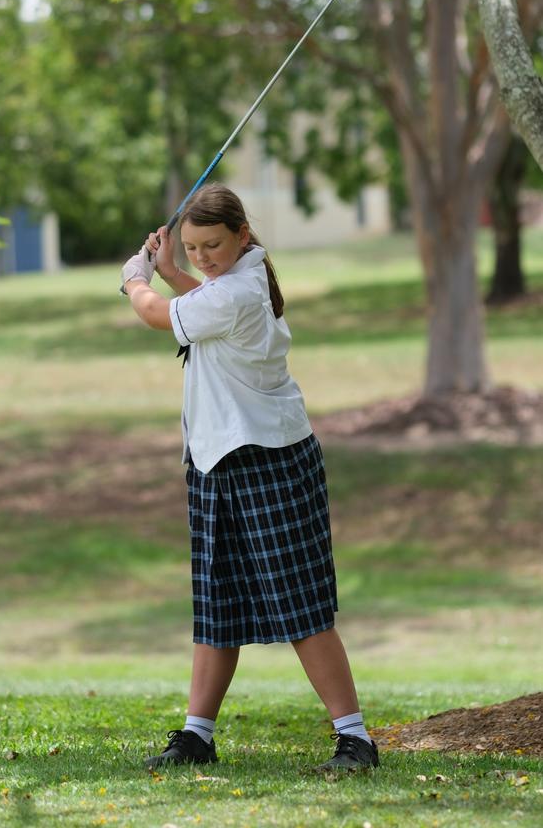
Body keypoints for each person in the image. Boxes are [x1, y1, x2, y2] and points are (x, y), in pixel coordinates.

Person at [120, 183, 379, 774]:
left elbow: (160, 315)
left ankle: (355, 738)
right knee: (219, 605)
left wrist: (136, 278)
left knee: (301, 607)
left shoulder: (235, 292)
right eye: (191, 247)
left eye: (212, 244)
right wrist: (170, 271)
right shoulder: (231, 287)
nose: (202, 256)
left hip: (267, 460)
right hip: (217, 461)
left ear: (242, 236)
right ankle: (197, 735)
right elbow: (200, 303)